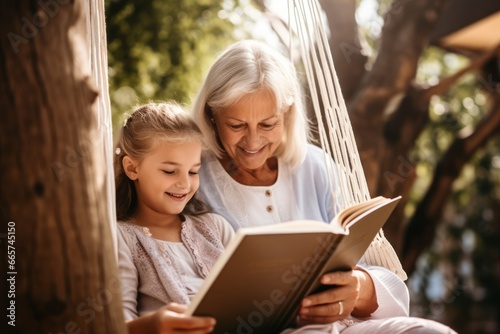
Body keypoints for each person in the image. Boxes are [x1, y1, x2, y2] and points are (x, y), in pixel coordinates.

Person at [192, 39, 458, 333]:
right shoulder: (191, 179)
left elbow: (388, 280)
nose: (253, 142)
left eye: (268, 125)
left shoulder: (315, 167)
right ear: (211, 116)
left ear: (287, 114)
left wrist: (358, 288)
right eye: (237, 125)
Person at [114, 102, 235, 333]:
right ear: (132, 168)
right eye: (170, 171)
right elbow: (116, 323)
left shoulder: (215, 227)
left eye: (193, 171)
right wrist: (150, 326)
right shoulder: (123, 237)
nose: (185, 184)